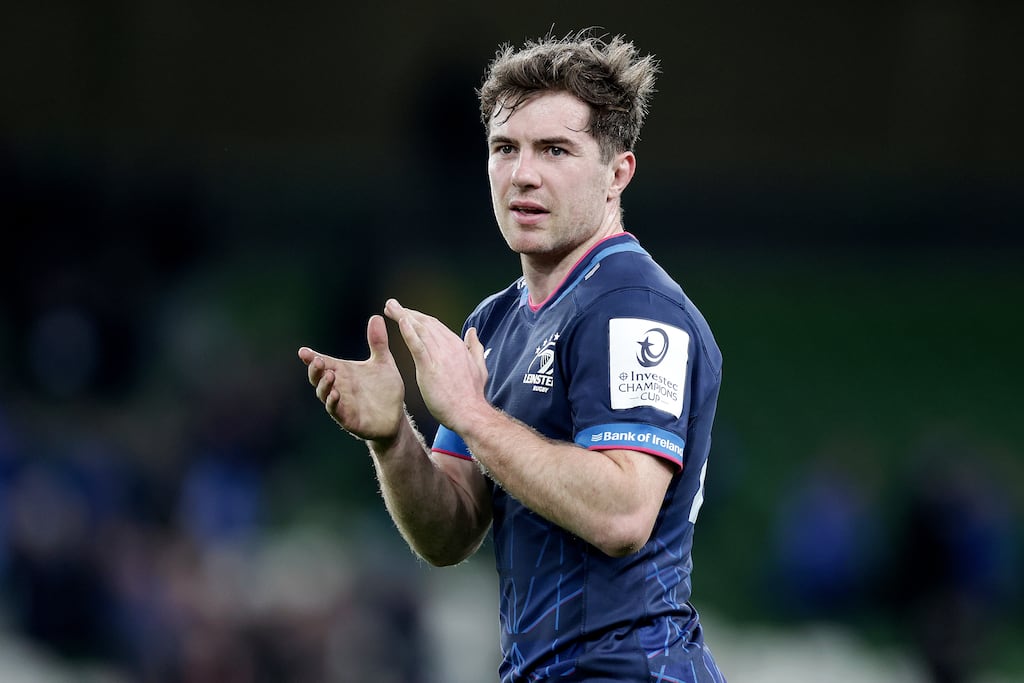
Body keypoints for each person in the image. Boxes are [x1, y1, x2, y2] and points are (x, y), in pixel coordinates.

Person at [299, 30, 726, 683]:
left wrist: (470, 412)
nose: (523, 173)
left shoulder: (634, 307)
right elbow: (449, 532)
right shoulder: (494, 321)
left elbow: (622, 514)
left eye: (555, 149)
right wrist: (393, 437)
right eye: (506, 148)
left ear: (618, 173)